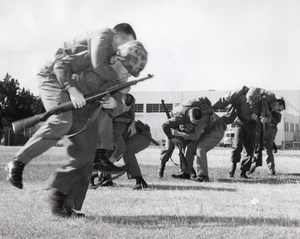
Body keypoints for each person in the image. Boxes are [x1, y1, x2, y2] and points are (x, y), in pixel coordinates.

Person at [6, 38, 148, 218]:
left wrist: (114, 103)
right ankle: (18, 161)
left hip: (82, 105)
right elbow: (61, 65)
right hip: (56, 82)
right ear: (120, 59)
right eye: (128, 71)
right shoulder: (96, 56)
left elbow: (119, 104)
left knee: (86, 152)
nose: (128, 77)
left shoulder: (117, 80)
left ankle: (62, 203)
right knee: (62, 121)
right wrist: (71, 90)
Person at [213, 87, 272, 179]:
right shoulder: (241, 98)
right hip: (239, 124)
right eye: (248, 100)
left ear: (257, 100)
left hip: (252, 126)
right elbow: (228, 104)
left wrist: (261, 119)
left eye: (251, 101)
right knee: (237, 146)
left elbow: (269, 117)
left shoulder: (262, 103)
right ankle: (232, 170)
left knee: (249, 150)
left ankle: (244, 172)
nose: (248, 102)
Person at [249, 96, 285, 175]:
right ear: (276, 104)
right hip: (262, 132)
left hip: (268, 133)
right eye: (279, 109)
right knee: (257, 150)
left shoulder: (277, 115)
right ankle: (255, 165)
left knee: (267, 151)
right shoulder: (266, 108)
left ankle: (271, 170)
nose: (279, 111)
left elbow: (273, 122)